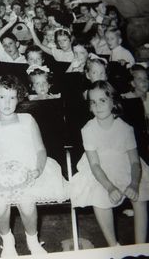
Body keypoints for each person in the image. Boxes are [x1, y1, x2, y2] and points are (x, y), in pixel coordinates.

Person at [0, 75, 68, 257]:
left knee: (27, 203)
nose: (7, 103)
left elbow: (40, 150)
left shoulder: (27, 119)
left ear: (18, 98)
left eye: (12, 97)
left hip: (30, 166)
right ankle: (7, 241)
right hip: (2, 169)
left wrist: (39, 169)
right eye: (2, 97)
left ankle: (33, 241)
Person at [70, 80, 149, 246]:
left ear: (114, 102)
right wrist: (110, 187)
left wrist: (134, 183)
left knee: (140, 194)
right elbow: (95, 166)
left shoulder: (125, 128)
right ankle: (114, 245)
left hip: (126, 166)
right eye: (93, 102)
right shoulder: (88, 129)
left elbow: (135, 162)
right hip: (99, 170)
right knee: (99, 196)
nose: (97, 106)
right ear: (89, 106)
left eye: (102, 100)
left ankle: (140, 246)